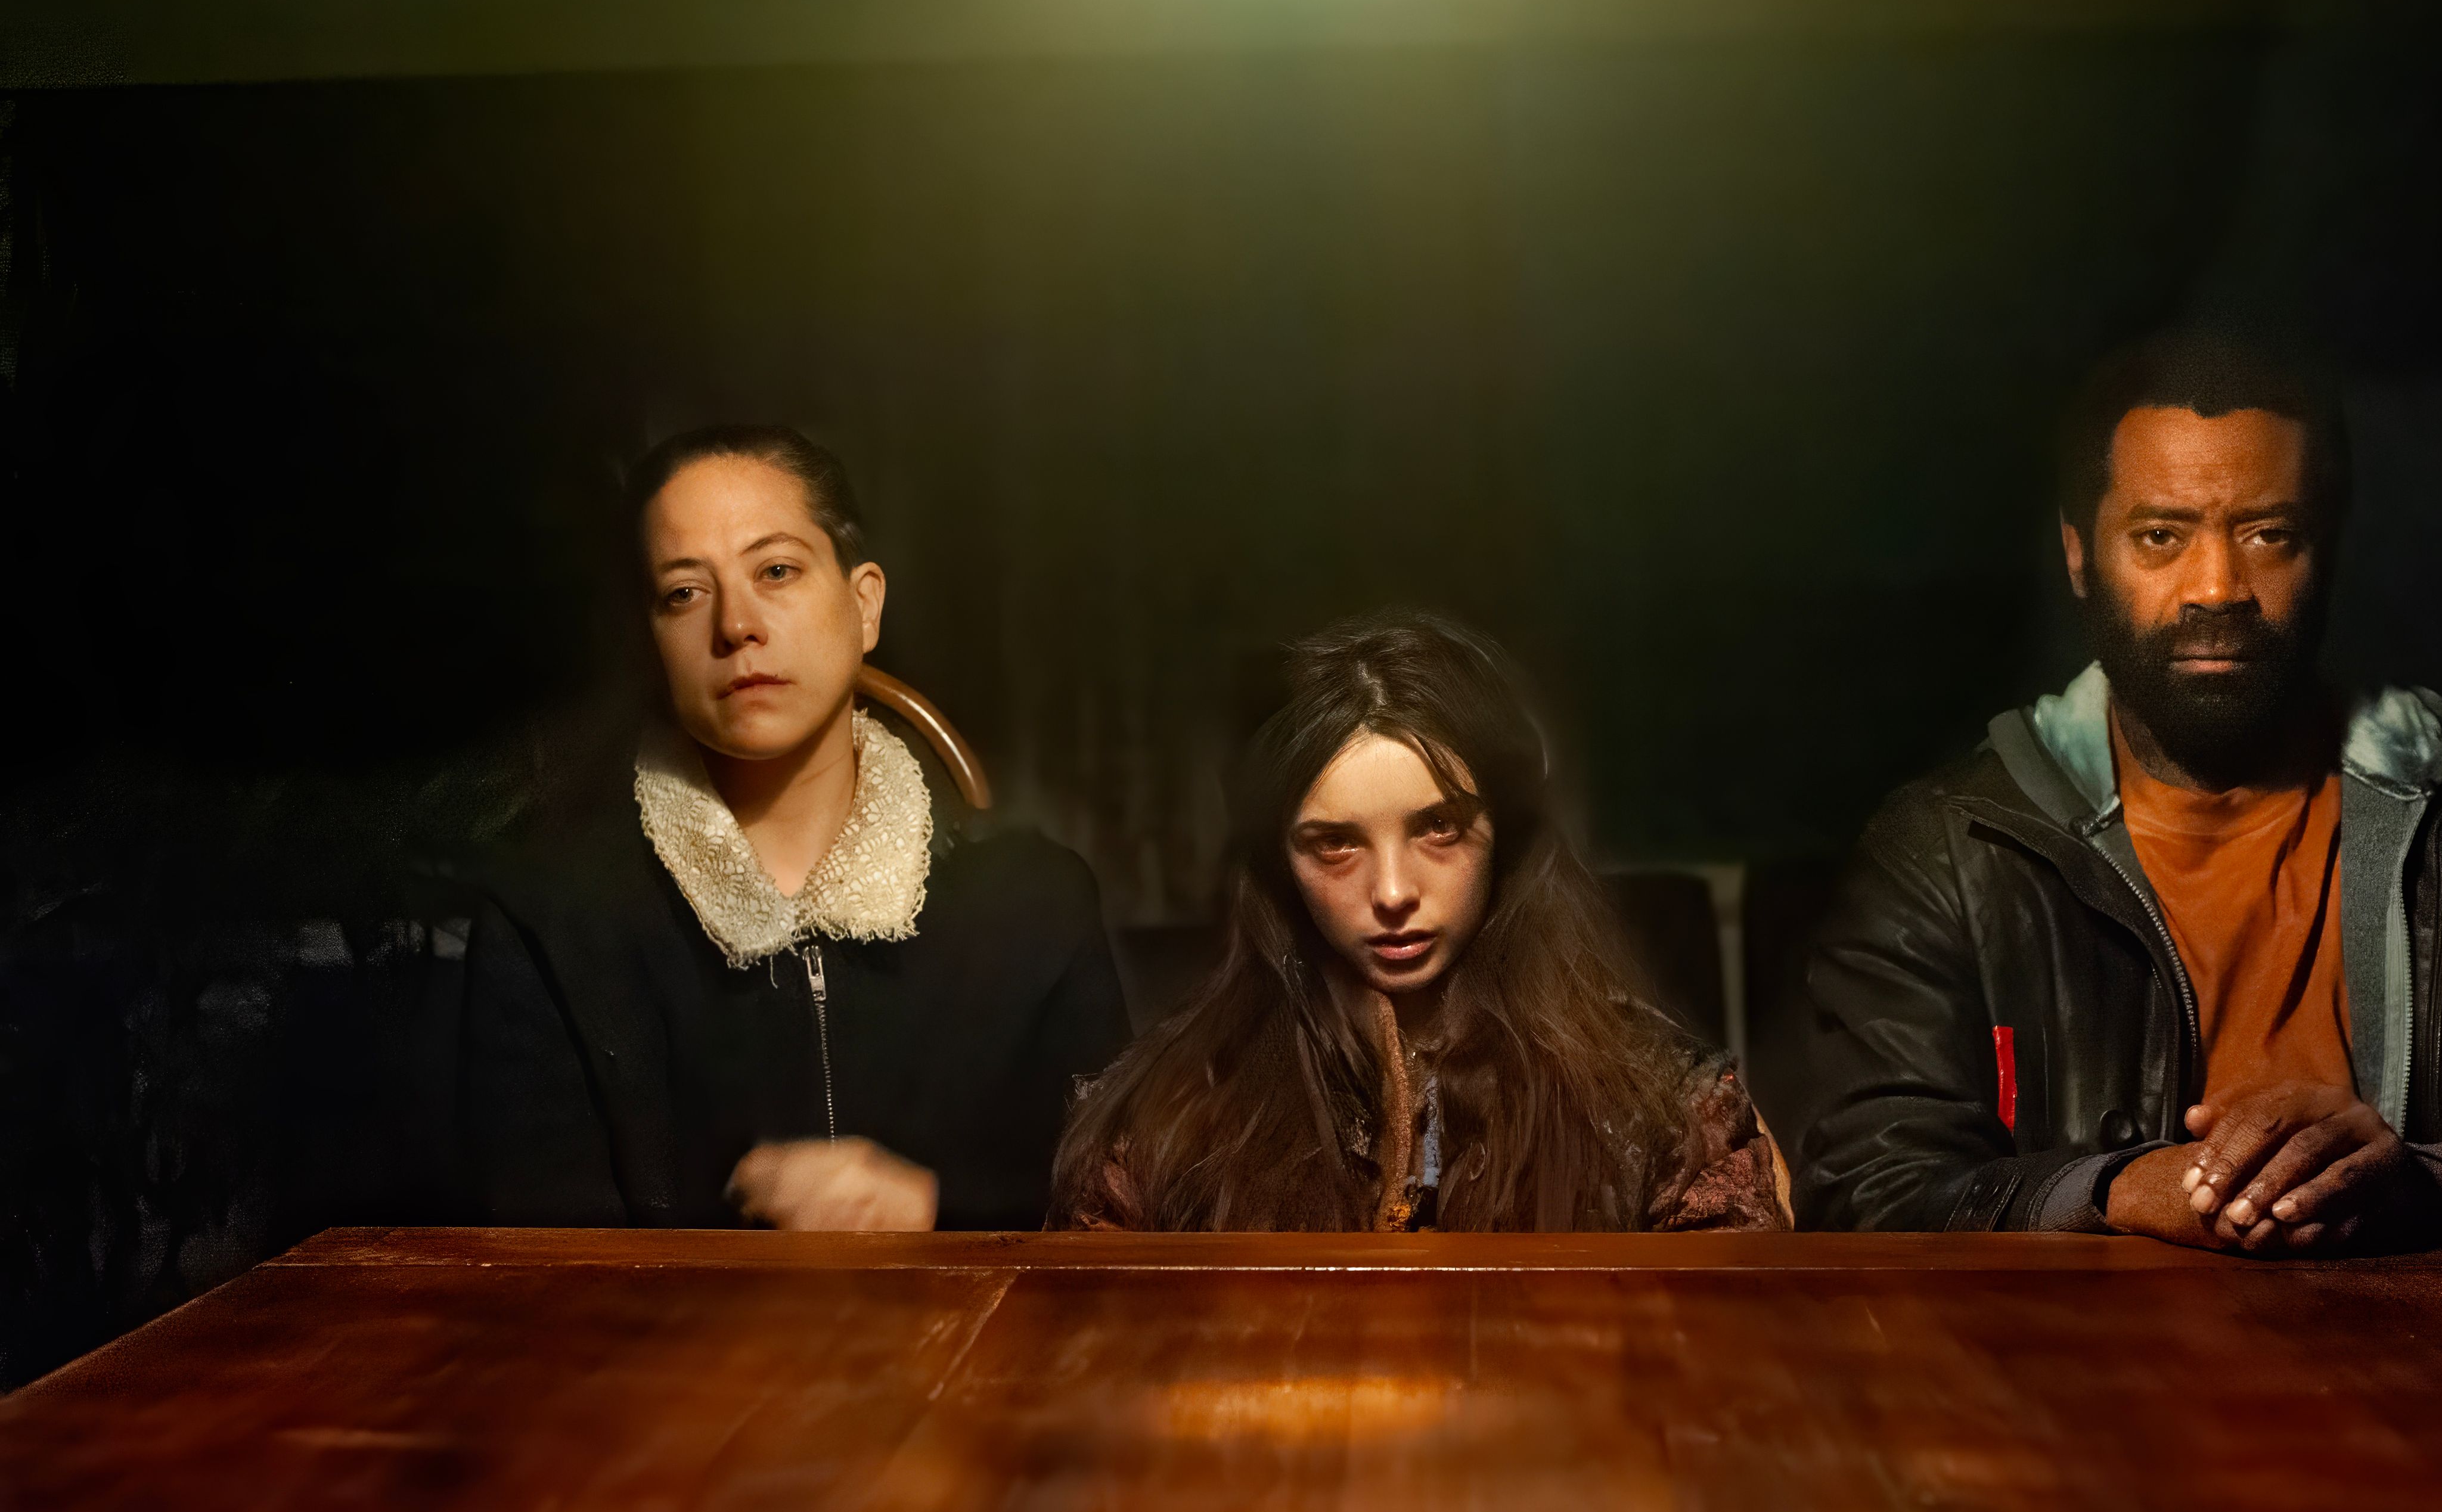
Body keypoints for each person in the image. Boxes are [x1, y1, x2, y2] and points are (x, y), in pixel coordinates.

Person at [1788, 333, 2442, 1279]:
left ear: (2326, 550)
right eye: (2161, 536)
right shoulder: (1949, 851)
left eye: (2268, 534)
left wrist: (2434, 1188)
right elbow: (1866, 1187)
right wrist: (2117, 1191)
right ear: (2078, 554)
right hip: (2076, 1363)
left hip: (2432, 1365)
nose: (2217, 587)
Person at [460, 425, 1129, 1231]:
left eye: (776, 570)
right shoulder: (549, 921)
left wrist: (933, 1212)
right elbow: (535, 1268)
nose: (736, 625)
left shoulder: (1036, 902)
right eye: (684, 592)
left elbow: (1109, 1215)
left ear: (864, 603)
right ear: (651, 641)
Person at [1050, 611, 1790, 1232]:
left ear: (1503, 836)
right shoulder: (1164, 1123)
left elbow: (1728, 1344)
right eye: (1335, 843)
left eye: (1439, 827)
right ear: (1279, 862)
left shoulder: (1658, 1107)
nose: (1394, 890)